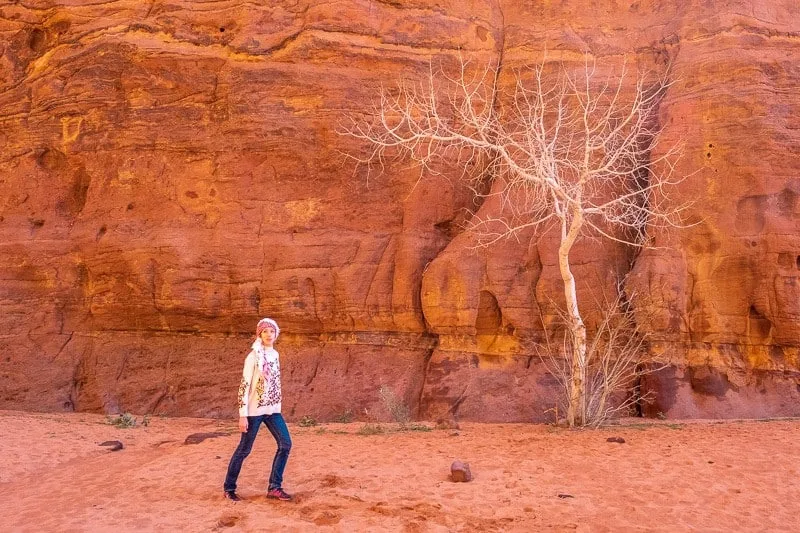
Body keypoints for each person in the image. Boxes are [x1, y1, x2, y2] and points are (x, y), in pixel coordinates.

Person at [223, 318, 293, 502]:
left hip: (272, 410)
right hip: (254, 411)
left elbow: (274, 383)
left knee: (285, 444)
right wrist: (242, 415)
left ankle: (274, 487)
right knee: (244, 450)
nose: (269, 334)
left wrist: (276, 404)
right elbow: (244, 386)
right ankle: (229, 488)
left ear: (276, 334)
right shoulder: (253, 357)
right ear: (259, 335)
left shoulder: (275, 355)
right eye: (265, 331)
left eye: (272, 331)